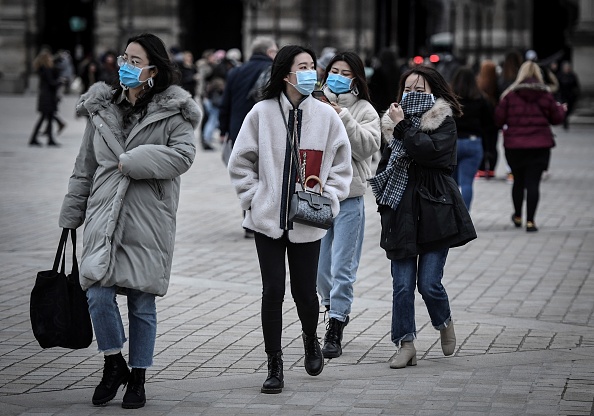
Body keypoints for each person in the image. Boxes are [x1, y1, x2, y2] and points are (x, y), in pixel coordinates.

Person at [58, 33, 202, 409]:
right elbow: (83, 167)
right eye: (125, 57)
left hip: (147, 215)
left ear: (153, 69)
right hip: (104, 212)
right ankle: (113, 362)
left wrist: (135, 160)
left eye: (135, 61)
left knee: (141, 301)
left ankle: (138, 376)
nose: (126, 65)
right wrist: (71, 213)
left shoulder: (174, 112)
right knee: (98, 294)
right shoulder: (101, 108)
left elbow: (184, 156)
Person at [227, 45, 352, 394]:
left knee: (305, 294)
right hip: (267, 220)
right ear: (285, 74)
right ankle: (274, 363)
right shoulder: (261, 113)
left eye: (313, 66)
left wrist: (329, 196)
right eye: (303, 66)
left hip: (308, 221)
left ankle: (311, 339)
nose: (311, 72)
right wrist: (255, 198)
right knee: (273, 292)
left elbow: (343, 165)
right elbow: (240, 163)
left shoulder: (326, 116)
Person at [369, 65, 476, 369]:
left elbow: (428, 152)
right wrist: (383, 197)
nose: (412, 95)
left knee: (429, 284)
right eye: (408, 89)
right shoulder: (389, 124)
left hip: (435, 209)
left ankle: (444, 321)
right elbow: (386, 165)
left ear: (433, 91)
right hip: (400, 210)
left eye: (419, 90)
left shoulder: (443, 120)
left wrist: (403, 126)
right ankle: (405, 343)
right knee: (402, 285)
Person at [315, 51, 381, 358]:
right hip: (318, 196)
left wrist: (343, 116)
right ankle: (330, 306)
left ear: (356, 78)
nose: (338, 76)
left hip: (351, 197)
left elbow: (368, 147)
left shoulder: (365, 110)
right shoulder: (314, 103)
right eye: (334, 70)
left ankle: (336, 325)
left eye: (345, 72)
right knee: (319, 268)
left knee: (343, 266)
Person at [495, 61, 566, 232]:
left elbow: (498, 119)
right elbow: (556, 119)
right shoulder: (545, 95)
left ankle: (518, 216)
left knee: (518, 181)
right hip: (540, 145)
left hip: (515, 146)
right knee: (533, 182)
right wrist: (562, 110)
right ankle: (531, 221)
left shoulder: (510, 95)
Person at [219, 36, 278, 238]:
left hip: (238, 130)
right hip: (265, 130)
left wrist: (223, 129)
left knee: (246, 174)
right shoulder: (274, 71)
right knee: (265, 175)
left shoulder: (236, 71)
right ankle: (260, 219)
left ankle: (249, 218)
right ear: (270, 52)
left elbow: (226, 102)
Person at [451, 66, 496, 210]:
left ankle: (451, 214)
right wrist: (489, 149)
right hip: (473, 142)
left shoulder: (450, 99)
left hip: (453, 143)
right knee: (467, 183)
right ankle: (464, 217)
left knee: (451, 183)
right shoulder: (481, 100)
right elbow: (489, 126)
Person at [29, 48, 62, 147]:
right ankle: (35, 139)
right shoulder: (47, 70)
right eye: (49, 57)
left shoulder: (42, 69)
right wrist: (60, 82)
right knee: (44, 118)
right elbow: (52, 83)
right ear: (46, 59)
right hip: (48, 97)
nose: (51, 59)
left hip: (45, 96)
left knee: (48, 118)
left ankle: (49, 139)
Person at [475, 60, 500, 178]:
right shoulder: (497, 85)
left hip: (480, 122)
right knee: (493, 146)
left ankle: (481, 169)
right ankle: (491, 169)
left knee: (482, 145)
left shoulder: (478, 85)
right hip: (494, 122)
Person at [556, 61, 580, 130]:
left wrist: (576, 94)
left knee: (570, 109)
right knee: (564, 109)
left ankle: (565, 119)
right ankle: (565, 121)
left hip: (571, 96)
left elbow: (576, 85)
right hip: (563, 96)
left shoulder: (572, 76)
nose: (567, 69)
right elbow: (557, 86)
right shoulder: (560, 76)